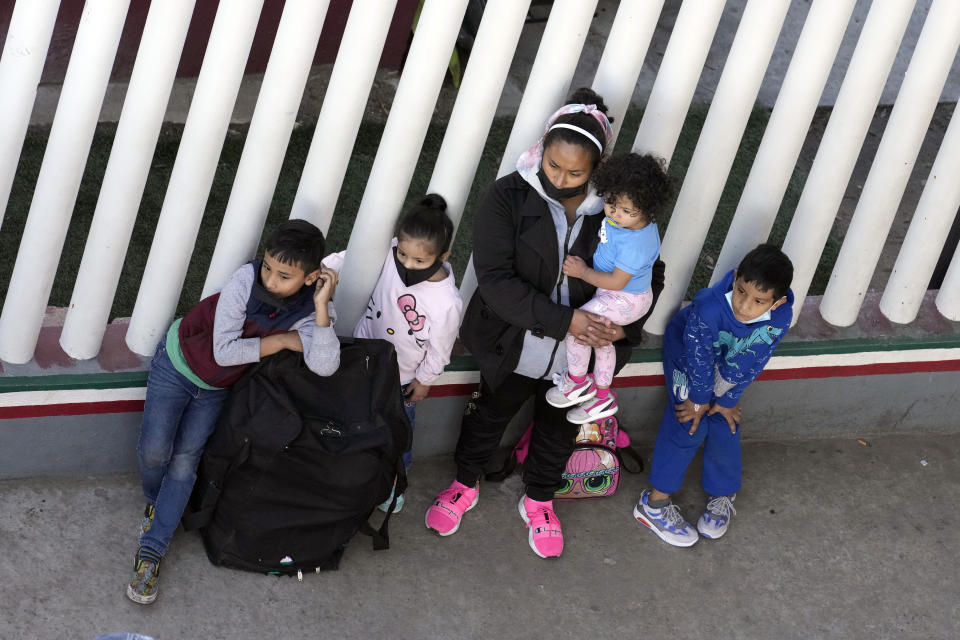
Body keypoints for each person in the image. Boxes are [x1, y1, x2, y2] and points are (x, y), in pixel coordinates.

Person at [424, 88, 663, 559]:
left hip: (587, 346)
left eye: (577, 172)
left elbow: (647, 270)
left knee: (559, 426)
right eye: (555, 166)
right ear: (543, 150)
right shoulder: (507, 197)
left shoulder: (620, 206)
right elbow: (494, 280)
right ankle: (463, 483)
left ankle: (539, 498)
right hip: (513, 339)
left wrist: (624, 327)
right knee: (489, 413)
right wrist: (567, 320)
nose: (562, 178)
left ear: (598, 167)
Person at [126, 219, 341, 604]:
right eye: (269, 269)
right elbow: (223, 351)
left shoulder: (312, 309)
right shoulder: (245, 280)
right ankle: (157, 500)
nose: (271, 281)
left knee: (185, 462)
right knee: (155, 452)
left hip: (216, 389)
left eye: (285, 276)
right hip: (177, 363)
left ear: (311, 279)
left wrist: (323, 307)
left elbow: (325, 364)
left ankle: (152, 549)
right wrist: (279, 342)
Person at [633, 244, 793, 547]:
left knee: (724, 422)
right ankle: (652, 505)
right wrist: (699, 398)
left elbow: (754, 360)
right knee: (689, 422)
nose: (744, 306)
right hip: (688, 354)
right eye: (741, 291)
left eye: (759, 301)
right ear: (735, 278)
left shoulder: (780, 319)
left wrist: (727, 401)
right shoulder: (709, 308)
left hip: (730, 364)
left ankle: (722, 493)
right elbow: (698, 356)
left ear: (777, 302)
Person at [322, 194, 463, 513]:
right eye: (402, 254)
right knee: (354, 418)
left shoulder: (447, 302)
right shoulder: (387, 255)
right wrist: (323, 269)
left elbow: (440, 350)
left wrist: (425, 381)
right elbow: (349, 258)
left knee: (397, 434)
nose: (407, 265)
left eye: (419, 262)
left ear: (443, 256)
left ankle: (394, 485)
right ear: (397, 243)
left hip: (403, 380)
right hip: (363, 359)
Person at [546, 153, 671, 424]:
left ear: (649, 209)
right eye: (612, 203)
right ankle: (602, 397)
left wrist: (583, 272)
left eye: (628, 211)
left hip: (624, 298)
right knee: (601, 340)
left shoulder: (636, 244)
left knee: (578, 327)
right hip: (619, 296)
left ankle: (578, 381)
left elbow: (617, 282)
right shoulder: (626, 222)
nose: (616, 213)